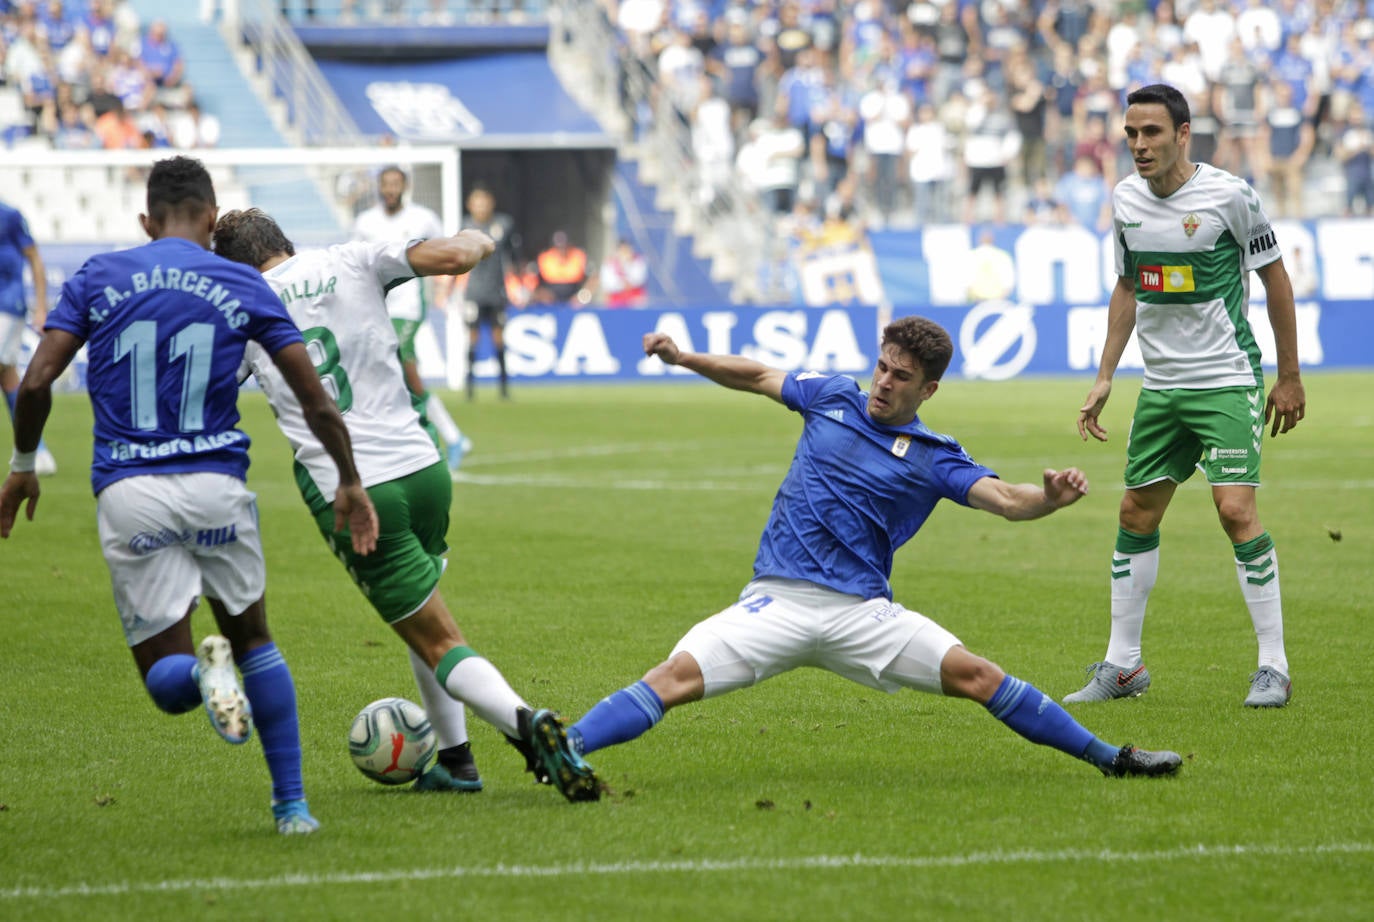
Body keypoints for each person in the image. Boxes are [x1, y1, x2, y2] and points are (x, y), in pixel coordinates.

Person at [523, 318, 1183, 788]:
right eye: (882, 367)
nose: (883, 384)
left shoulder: (933, 457)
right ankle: (564, 747)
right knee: (671, 679)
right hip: (775, 603)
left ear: (928, 390)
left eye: (901, 377)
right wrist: (684, 358)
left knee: (980, 676)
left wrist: (1050, 499)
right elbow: (756, 374)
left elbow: (1006, 500)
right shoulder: (832, 396)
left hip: (862, 616)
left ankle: (1112, 758)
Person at [0, 156, 380, 835]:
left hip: (130, 490)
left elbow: (32, 384)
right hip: (215, 487)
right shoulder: (240, 280)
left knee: (166, 679)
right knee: (256, 640)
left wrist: (24, 462)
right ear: (211, 219)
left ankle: (206, 678)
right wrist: (349, 479)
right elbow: (313, 397)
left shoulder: (98, 276)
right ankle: (292, 807)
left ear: (146, 222)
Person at [211, 207, 599, 803]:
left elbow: (211, 389)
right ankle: (457, 761)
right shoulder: (353, 257)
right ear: (285, 241)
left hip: (356, 490)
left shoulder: (245, 309)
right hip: (424, 470)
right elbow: (455, 255)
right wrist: (480, 238)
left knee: (440, 639)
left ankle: (528, 725)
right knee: (425, 622)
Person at [1068, 83, 1306, 709]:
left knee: (1235, 512)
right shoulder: (1124, 200)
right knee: (1134, 516)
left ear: (1182, 134)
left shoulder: (1229, 196)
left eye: (1150, 133)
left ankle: (1273, 667)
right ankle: (1123, 666)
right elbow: (1128, 287)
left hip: (1226, 379)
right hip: (1162, 388)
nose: (1139, 145)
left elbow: (1276, 279)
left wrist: (1289, 375)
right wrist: (1104, 376)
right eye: (1130, 134)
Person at [353, 166, 470, 469]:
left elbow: (449, 248)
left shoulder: (422, 218)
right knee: (400, 376)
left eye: (396, 183)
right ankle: (451, 437)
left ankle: (432, 439)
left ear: (405, 186)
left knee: (400, 357)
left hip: (408, 307)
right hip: (376, 306)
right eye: (386, 184)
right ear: (379, 187)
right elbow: (353, 262)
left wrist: (447, 286)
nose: (390, 189)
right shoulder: (365, 222)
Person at [0, 199, 56, 476]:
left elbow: (34, 257)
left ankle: (37, 452)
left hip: (6, 307)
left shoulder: (9, 215)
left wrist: (42, 306)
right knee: (7, 376)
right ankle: (37, 451)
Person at [458, 184, 518, 400]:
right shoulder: (465, 227)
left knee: (499, 339)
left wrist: (517, 284)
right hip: (474, 293)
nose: (481, 207)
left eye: (484, 202)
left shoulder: (503, 224)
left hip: (497, 293)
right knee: (472, 339)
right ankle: (470, 388)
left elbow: (513, 255)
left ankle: (503, 389)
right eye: (477, 203)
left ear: (491, 203)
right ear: (470, 205)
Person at [534, 231, 593, 305]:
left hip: (573, 296)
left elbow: (593, 277)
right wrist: (541, 293)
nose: (561, 250)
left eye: (564, 246)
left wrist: (582, 296)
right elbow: (532, 279)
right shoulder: (544, 258)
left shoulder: (578, 256)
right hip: (550, 298)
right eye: (558, 247)